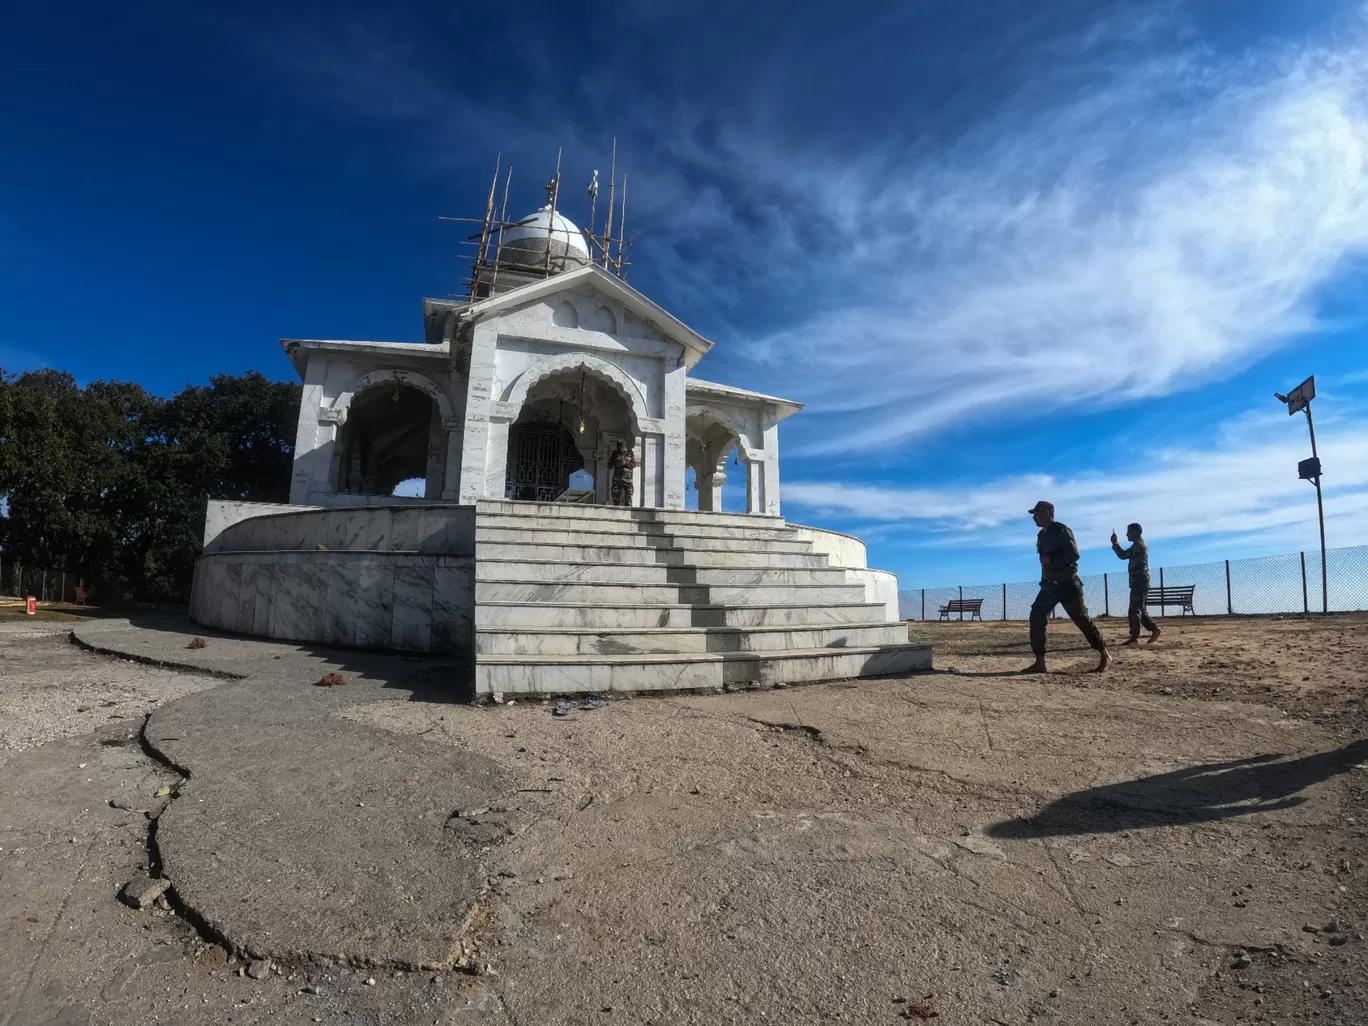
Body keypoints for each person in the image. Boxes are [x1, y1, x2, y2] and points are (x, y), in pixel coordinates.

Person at [1021, 501, 1112, 674]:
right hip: (1049, 587)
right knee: (1037, 616)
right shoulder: (1041, 535)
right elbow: (1044, 563)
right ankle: (1040, 662)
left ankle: (1105, 654)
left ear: (1048, 512)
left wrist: (1052, 559)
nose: (1034, 517)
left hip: (1068, 584)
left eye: (1037, 513)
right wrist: (1045, 578)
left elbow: (1073, 554)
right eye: (1033, 514)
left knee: (1081, 619)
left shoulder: (1061, 530)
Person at [1111, 522, 1161, 646]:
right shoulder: (1140, 544)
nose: (1127, 534)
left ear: (1135, 532)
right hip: (1141, 581)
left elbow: (1123, 555)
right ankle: (1153, 630)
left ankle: (1135, 637)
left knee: (1134, 610)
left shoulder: (1138, 545)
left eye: (1128, 531)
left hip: (1139, 581)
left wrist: (1115, 543)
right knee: (1139, 609)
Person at [608, 439, 635, 507]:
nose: (620, 447)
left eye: (621, 445)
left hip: (627, 478)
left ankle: (628, 509)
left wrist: (626, 463)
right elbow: (610, 465)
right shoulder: (615, 453)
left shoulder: (630, 453)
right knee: (615, 495)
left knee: (629, 494)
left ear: (625, 445)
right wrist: (615, 464)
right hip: (617, 478)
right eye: (619, 446)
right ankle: (616, 508)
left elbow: (634, 464)